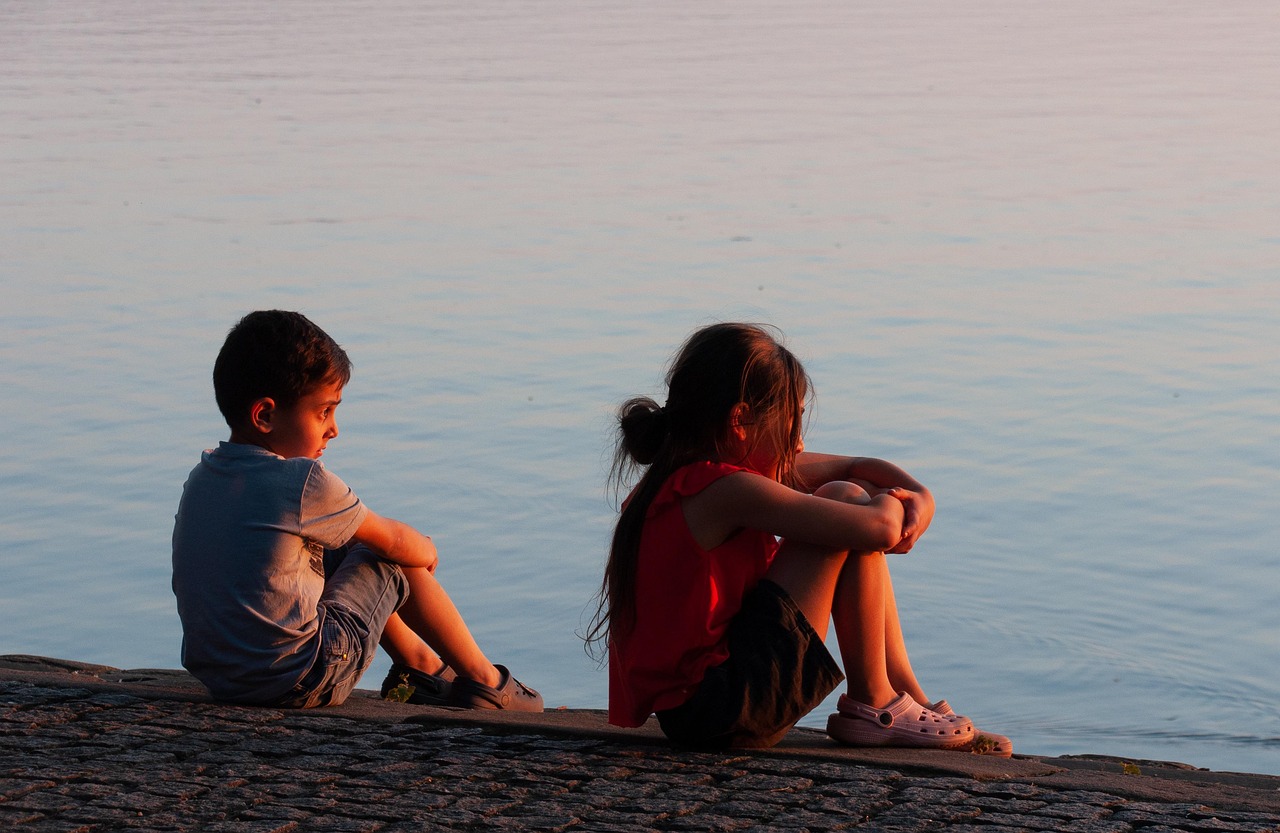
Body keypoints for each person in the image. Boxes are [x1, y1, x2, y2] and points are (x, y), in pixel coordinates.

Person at [588, 322, 1008, 754]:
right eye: (794, 419)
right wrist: (899, 503)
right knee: (846, 504)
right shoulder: (726, 491)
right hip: (724, 708)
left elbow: (857, 464)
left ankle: (905, 696)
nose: (801, 439)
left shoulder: (690, 476)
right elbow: (879, 525)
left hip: (705, 711)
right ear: (741, 421)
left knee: (847, 499)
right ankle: (874, 702)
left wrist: (921, 497)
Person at [172, 310, 542, 712]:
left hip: (221, 679)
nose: (334, 429)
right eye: (324, 412)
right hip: (300, 679)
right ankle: (485, 683)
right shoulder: (303, 483)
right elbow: (400, 544)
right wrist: (425, 550)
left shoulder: (203, 475)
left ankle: (422, 668)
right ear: (264, 415)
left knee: (338, 542)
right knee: (383, 557)